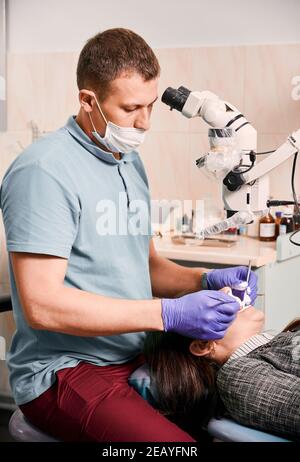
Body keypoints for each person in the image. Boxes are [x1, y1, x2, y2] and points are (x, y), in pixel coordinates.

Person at [0, 28, 257, 442]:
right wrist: (167, 314)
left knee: (232, 422)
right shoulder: (43, 172)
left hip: (132, 353)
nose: (145, 122)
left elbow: (147, 265)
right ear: (88, 100)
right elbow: (42, 306)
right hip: (65, 369)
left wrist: (204, 279)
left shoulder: (128, 161)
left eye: (151, 106)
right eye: (131, 108)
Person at [143, 289, 300, 441]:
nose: (227, 290)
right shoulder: (238, 376)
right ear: (203, 345)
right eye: (214, 303)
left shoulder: (283, 341)